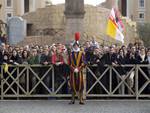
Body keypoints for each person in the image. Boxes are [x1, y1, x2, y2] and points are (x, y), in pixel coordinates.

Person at [69, 40, 85, 105]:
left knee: (81, 85)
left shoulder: (81, 53)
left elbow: (84, 62)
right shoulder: (71, 54)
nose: (75, 47)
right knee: (72, 85)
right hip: (73, 73)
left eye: (76, 46)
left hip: (79, 72)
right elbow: (69, 63)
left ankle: (81, 100)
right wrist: (73, 69)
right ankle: (72, 100)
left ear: (78, 46)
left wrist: (78, 68)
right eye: (74, 46)